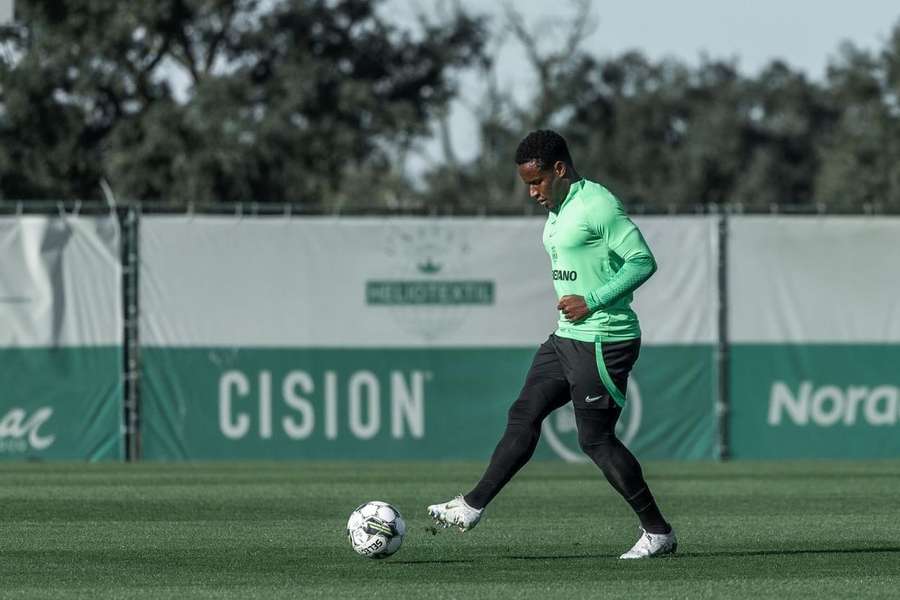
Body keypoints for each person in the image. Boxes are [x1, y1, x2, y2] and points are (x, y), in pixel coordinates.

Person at [427, 129, 676, 559]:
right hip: (566, 337)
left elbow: (643, 261)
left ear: (559, 169)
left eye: (536, 182)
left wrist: (593, 300)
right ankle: (471, 505)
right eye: (527, 184)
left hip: (604, 339)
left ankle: (657, 532)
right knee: (523, 413)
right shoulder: (558, 209)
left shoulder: (597, 204)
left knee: (595, 440)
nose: (532, 193)